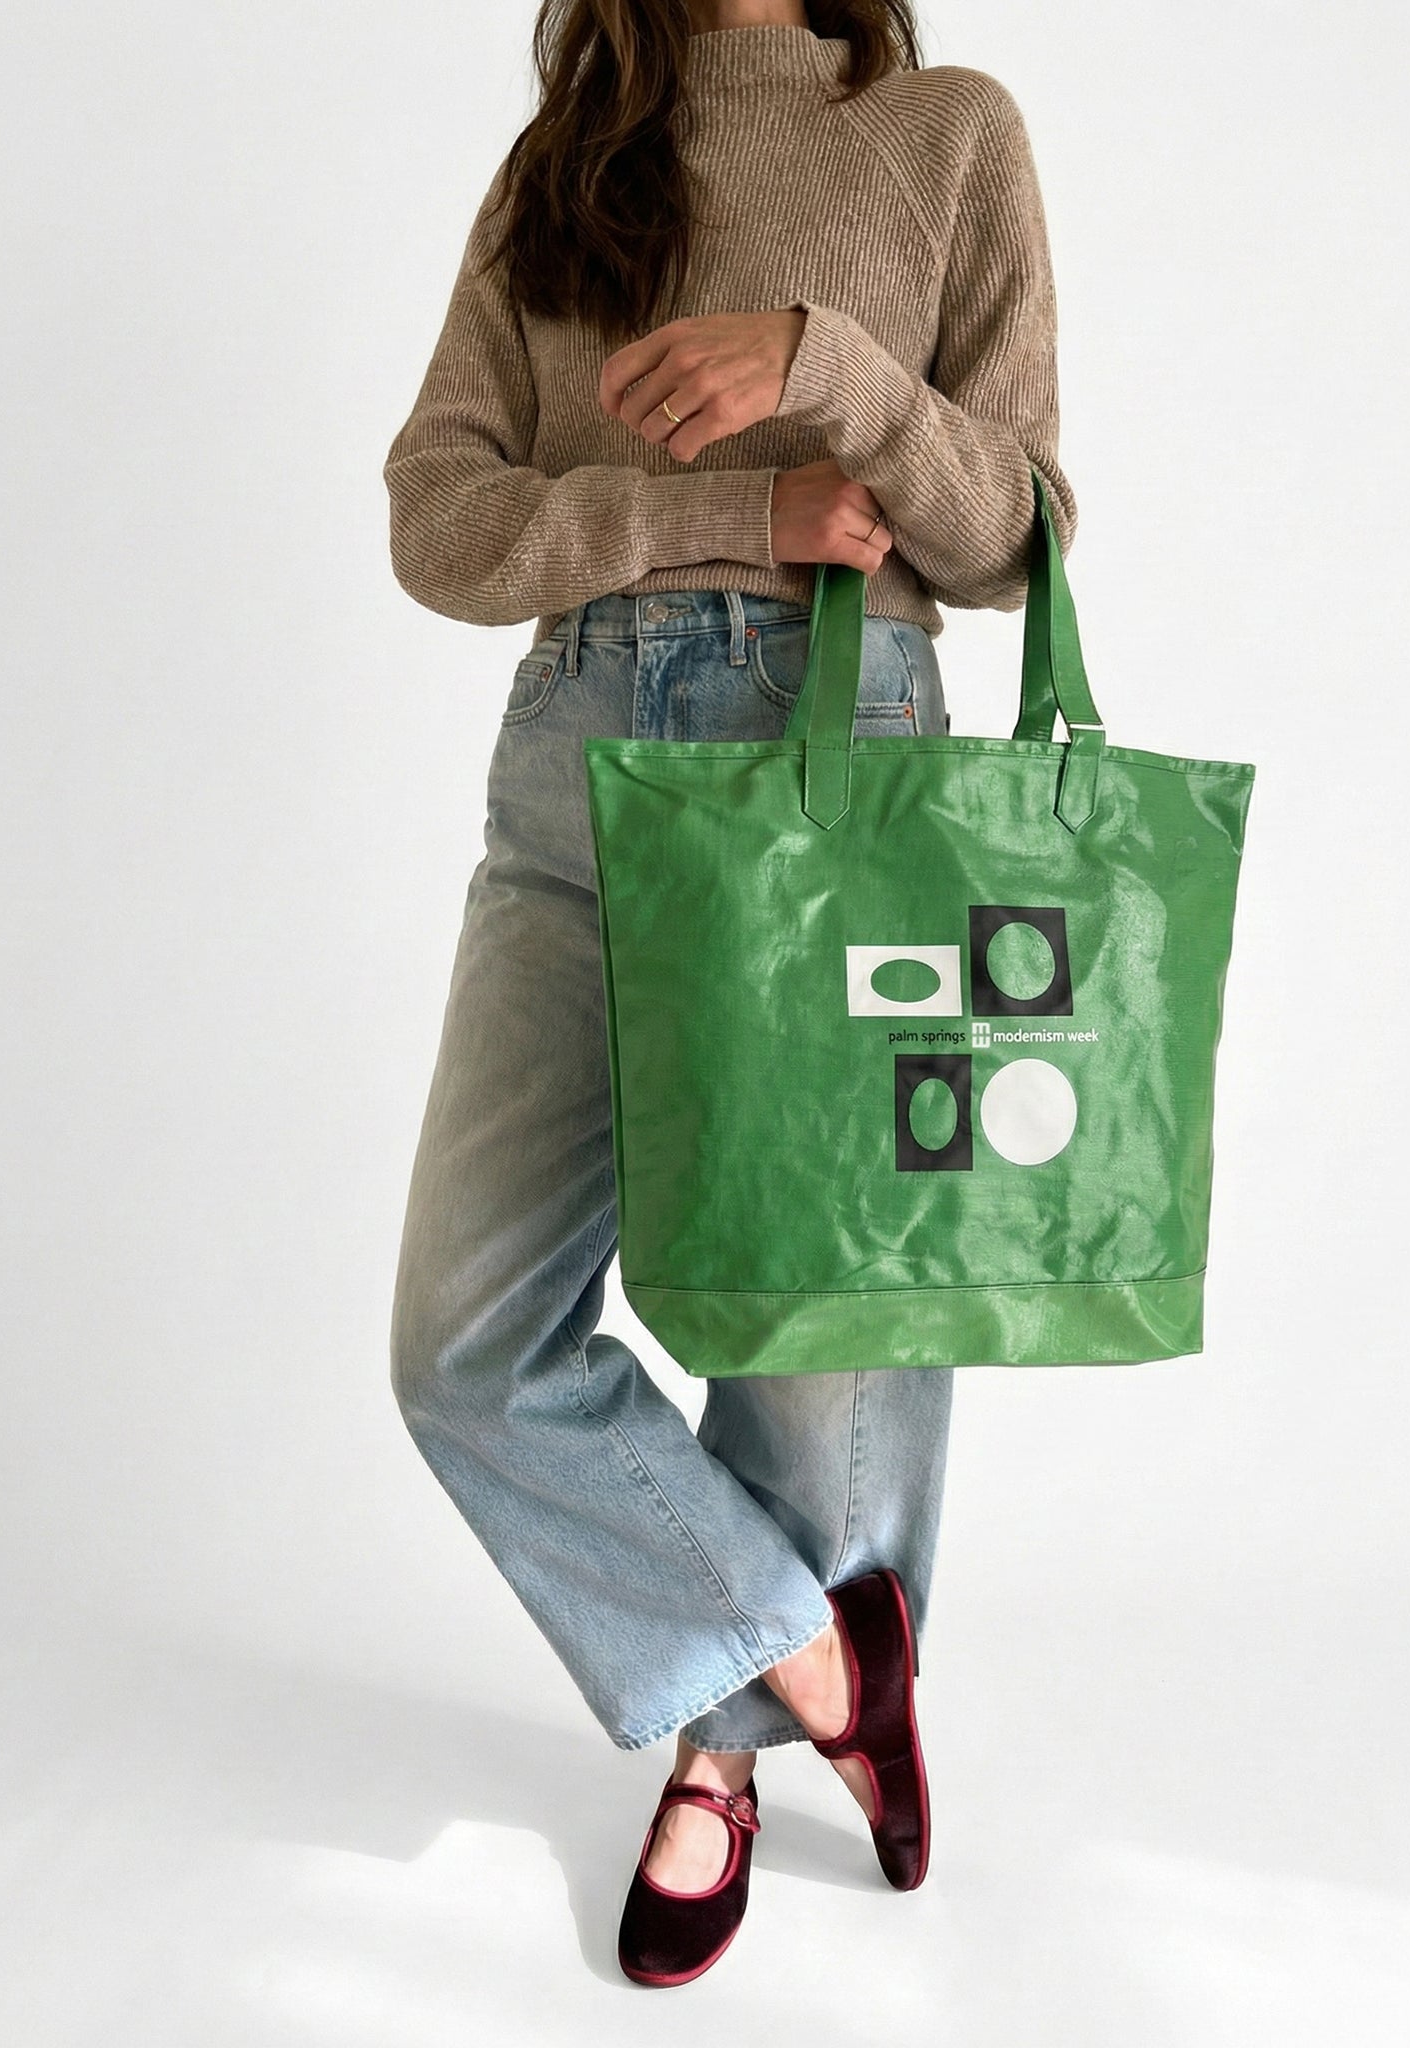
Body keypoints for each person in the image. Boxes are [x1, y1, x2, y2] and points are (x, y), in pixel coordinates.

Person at [381, 0, 1076, 1986]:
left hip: (833, 730)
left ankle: (723, 1759)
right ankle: (806, 1649)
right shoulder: (563, 170)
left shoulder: (948, 131)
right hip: (577, 753)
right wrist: (725, 511)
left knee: (816, 1307)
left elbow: (1018, 531)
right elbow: (441, 511)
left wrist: (825, 374)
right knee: (463, 1337)